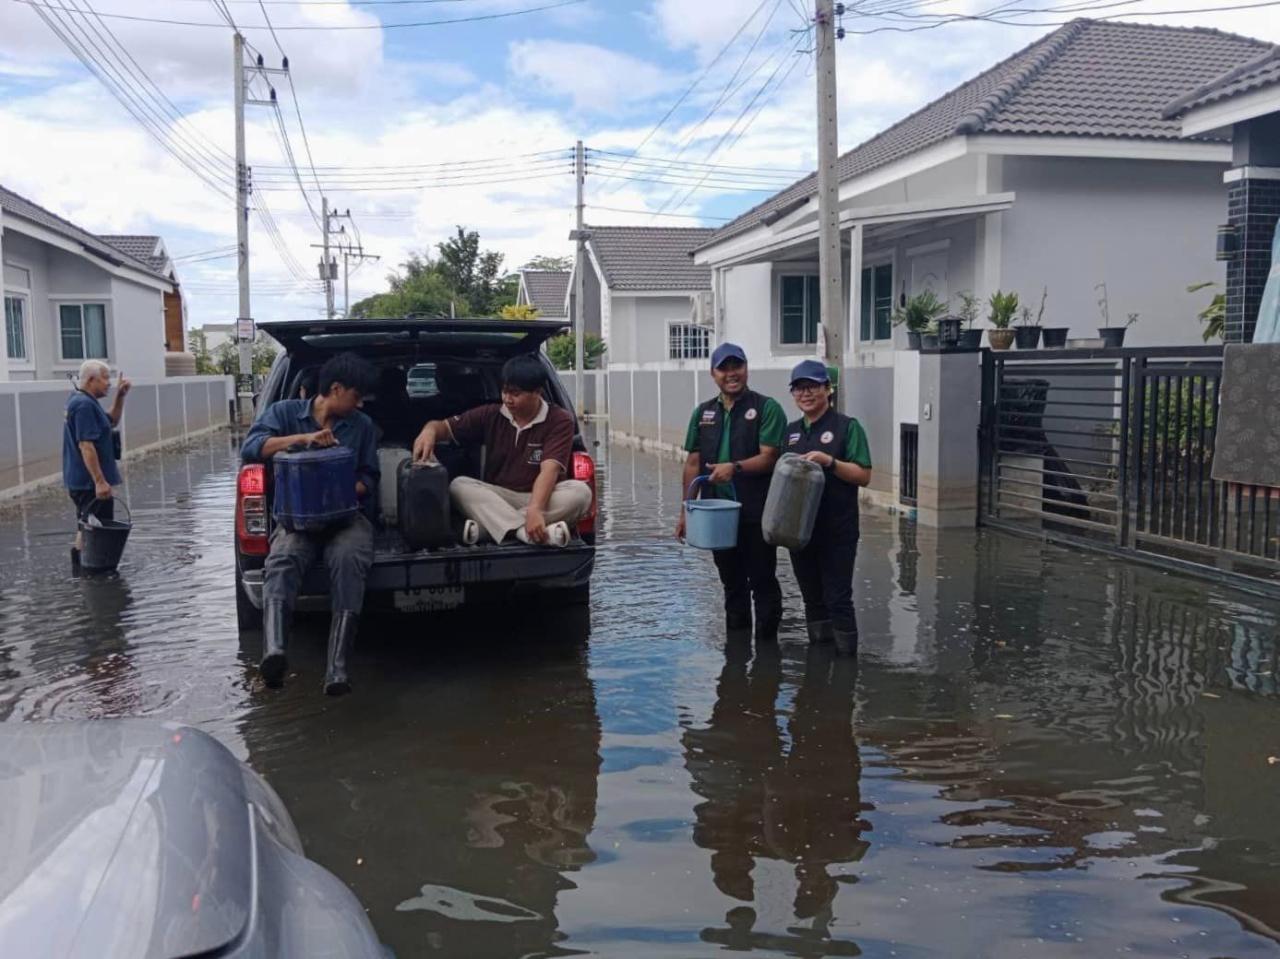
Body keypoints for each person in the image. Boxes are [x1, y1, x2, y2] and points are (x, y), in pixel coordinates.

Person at [241, 352, 379, 695]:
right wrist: (302, 440)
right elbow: (252, 447)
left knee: (349, 559)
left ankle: (337, 668)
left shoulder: (361, 426)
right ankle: (274, 653)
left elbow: (370, 477)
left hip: (346, 518)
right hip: (295, 520)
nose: (360, 403)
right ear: (335, 389)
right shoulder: (284, 413)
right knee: (282, 559)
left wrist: (344, 490)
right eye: (356, 395)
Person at [412, 353, 592, 547]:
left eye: (515, 394)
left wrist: (536, 509)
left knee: (581, 492)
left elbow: (549, 471)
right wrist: (429, 431)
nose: (507, 399)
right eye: (504, 391)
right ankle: (525, 533)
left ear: (537, 392)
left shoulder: (559, 419)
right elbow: (444, 427)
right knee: (458, 485)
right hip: (498, 496)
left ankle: (490, 529)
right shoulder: (490, 414)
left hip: (543, 497)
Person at [676, 343, 786, 641]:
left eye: (736, 366)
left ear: (746, 368)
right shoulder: (703, 413)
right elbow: (693, 463)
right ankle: (736, 653)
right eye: (724, 368)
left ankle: (767, 654)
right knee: (731, 583)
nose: (731, 373)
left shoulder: (766, 408)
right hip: (715, 514)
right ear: (713, 373)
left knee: (762, 580)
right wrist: (687, 511)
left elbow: (770, 457)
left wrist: (734, 467)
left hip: (756, 511)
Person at [782, 359, 873, 656]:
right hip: (801, 532)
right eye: (798, 388)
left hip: (837, 530)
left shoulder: (847, 427)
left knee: (838, 597)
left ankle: (847, 667)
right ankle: (819, 660)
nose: (805, 394)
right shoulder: (791, 432)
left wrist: (830, 462)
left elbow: (864, 475)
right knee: (811, 597)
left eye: (812, 387)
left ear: (827, 389)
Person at [63, 360, 130, 566]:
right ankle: (90, 573)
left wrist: (120, 396)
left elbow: (111, 421)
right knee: (93, 527)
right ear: (91, 380)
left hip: (85, 482)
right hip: (88, 483)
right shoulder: (83, 405)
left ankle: (83, 573)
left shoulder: (86, 401)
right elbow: (86, 446)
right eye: (105, 378)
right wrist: (100, 481)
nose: (109, 383)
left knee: (87, 525)